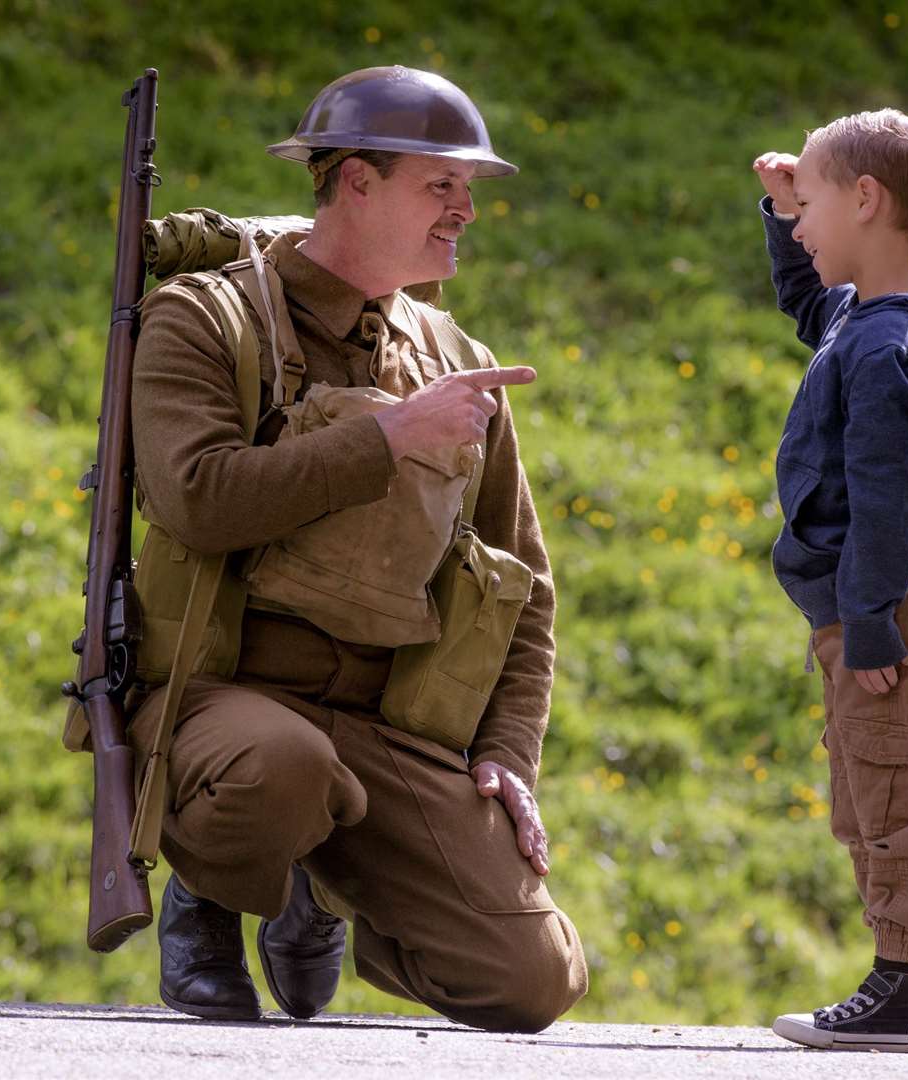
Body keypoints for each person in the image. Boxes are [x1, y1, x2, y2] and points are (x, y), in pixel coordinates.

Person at [125, 66, 587, 1033]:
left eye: (470, 188)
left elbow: (524, 588)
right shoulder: (203, 321)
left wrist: (507, 755)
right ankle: (211, 891)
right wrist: (385, 439)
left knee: (532, 982)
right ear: (355, 183)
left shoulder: (456, 361)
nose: (467, 209)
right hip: (217, 706)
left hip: (385, 736)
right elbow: (198, 498)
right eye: (441, 185)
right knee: (280, 770)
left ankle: (322, 888)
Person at [750, 109, 908, 1053]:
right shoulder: (881, 316)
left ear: (867, 200)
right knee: (867, 798)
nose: (801, 225)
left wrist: (868, 627)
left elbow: (886, 500)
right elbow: (809, 303)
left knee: (895, 803)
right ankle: (903, 985)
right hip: (874, 604)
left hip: (886, 604)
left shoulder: (887, 350)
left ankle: (907, 990)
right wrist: (780, 217)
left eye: (809, 205)